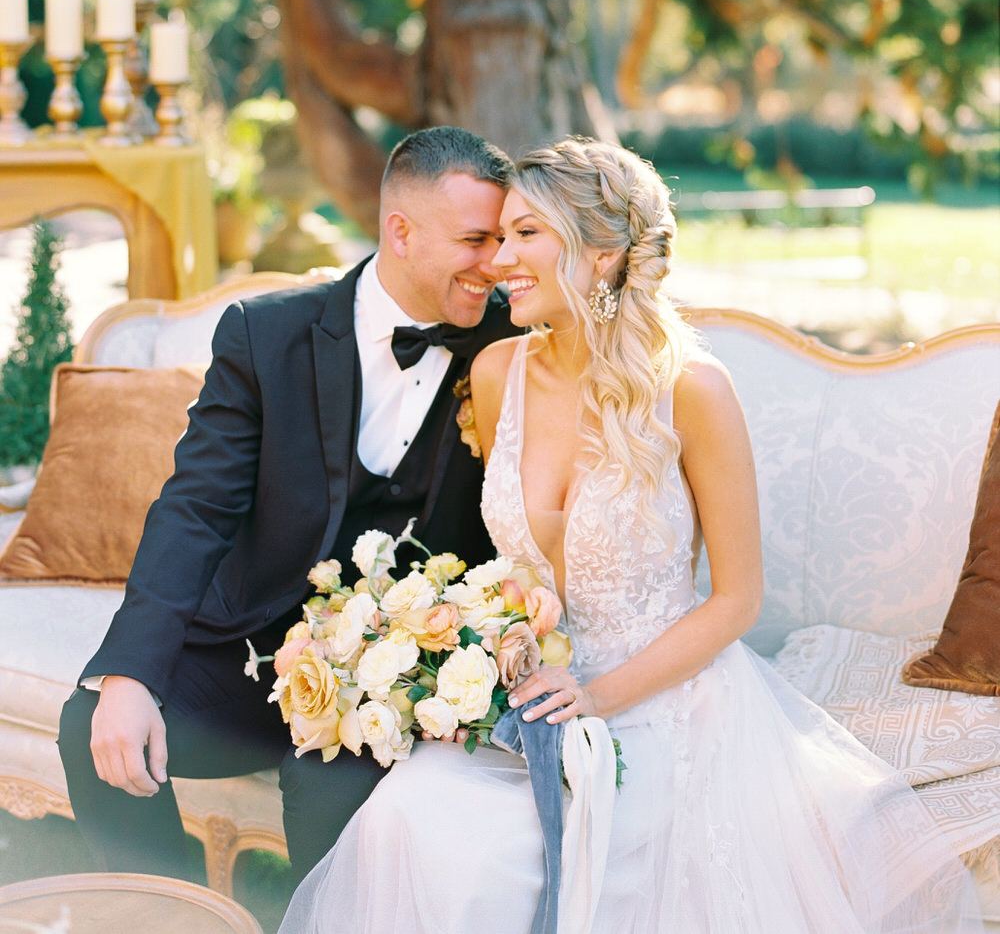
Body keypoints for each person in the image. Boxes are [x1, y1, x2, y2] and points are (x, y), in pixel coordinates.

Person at [279, 136, 983, 934]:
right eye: (500, 234)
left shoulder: (691, 390)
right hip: (530, 703)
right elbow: (499, 563)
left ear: (603, 252)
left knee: (606, 866)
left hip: (669, 705)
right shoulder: (495, 372)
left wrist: (601, 695)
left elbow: (738, 597)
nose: (500, 257)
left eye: (525, 234)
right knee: (406, 817)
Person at [57, 125, 519, 884]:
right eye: (476, 239)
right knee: (93, 725)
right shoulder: (266, 335)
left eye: (503, 239)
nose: (494, 263)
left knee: (325, 788)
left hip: (406, 674)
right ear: (400, 231)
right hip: (255, 650)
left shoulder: (512, 339)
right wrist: (131, 673)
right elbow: (195, 508)